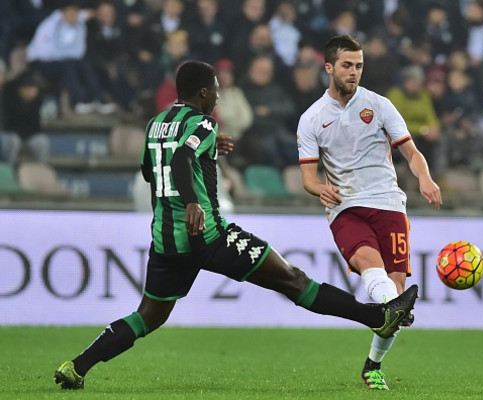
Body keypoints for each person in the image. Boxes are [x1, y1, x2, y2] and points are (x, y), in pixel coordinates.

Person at [53, 60, 419, 390]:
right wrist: (193, 200)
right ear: (202, 92)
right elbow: (181, 157)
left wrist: (207, 153)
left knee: (147, 317)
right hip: (208, 234)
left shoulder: (155, 124)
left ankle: (76, 367)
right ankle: (378, 316)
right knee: (293, 280)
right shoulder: (203, 122)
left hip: (166, 241)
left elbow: (153, 170)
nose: (218, 95)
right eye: (215, 89)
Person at [297, 35, 442, 390]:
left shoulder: (379, 105)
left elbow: (411, 152)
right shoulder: (312, 118)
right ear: (329, 67)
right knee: (368, 265)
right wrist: (321, 188)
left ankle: (372, 364)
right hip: (346, 206)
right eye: (347, 65)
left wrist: (424, 177)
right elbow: (307, 178)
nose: (354, 72)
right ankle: (396, 307)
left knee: (394, 292)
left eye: (359, 65)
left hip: (390, 204)